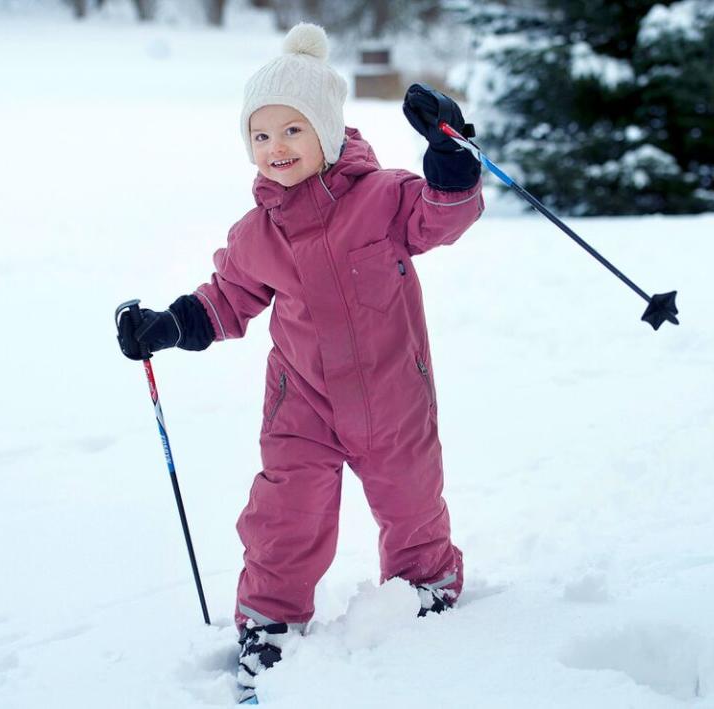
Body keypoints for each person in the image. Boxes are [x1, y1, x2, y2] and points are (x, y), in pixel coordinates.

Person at [116, 22, 484, 704]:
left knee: (410, 498)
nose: (275, 148)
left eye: (292, 131)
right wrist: (170, 324)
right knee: (286, 510)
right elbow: (228, 296)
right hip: (303, 401)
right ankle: (269, 618)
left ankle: (425, 584)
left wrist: (452, 162)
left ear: (328, 131)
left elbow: (443, 215)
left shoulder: (383, 197)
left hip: (393, 389)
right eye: (260, 135)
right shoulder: (258, 232)